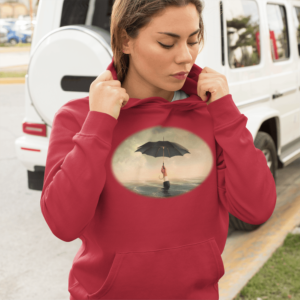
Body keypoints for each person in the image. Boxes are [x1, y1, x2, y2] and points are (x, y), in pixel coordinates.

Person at [40, 1, 277, 299]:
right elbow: (63, 223)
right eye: (167, 43)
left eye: (193, 40)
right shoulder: (80, 117)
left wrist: (227, 115)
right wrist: (99, 124)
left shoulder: (212, 114)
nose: (185, 57)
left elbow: (257, 209)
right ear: (126, 40)